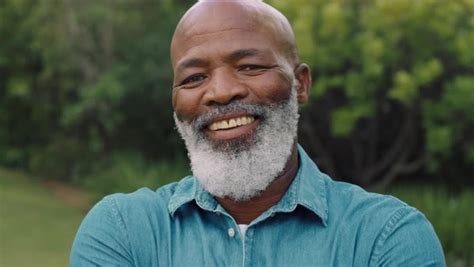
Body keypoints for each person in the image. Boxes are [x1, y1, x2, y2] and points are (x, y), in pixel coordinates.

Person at [70, 0, 445, 266]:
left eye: (249, 66)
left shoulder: (385, 237)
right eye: (194, 78)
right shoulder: (124, 231)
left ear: (300, 84)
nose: (220, 92)